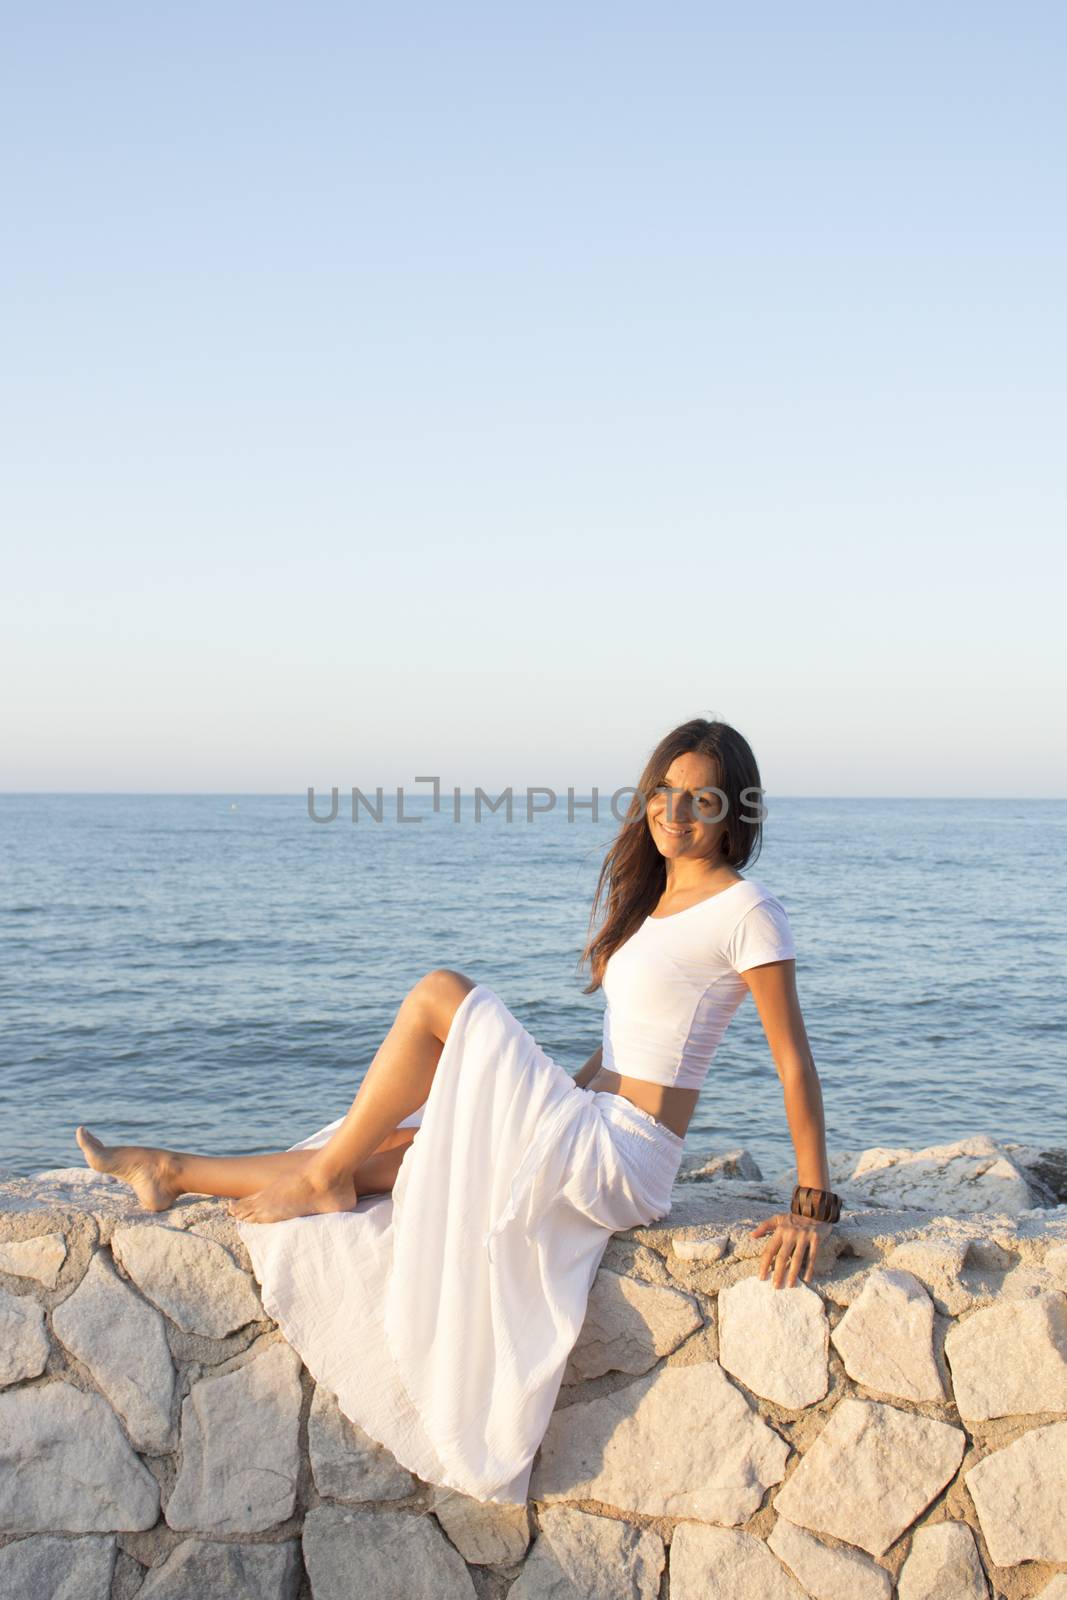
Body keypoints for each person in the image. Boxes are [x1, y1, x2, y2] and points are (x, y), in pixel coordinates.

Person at [75, 716, 840, 1505]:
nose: (674, 813)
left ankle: (322, 1180)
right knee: (416, 1141)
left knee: (441, 996)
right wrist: (548, 1102)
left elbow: (792, 1062)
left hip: (624, 1157)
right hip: (591, 1119)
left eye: (700, 798)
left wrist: (811, 1205)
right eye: (663, 791)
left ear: (733, 812)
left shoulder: (746, 909)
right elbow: (621, 1053)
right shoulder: (652, 904)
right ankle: (172, 1172)